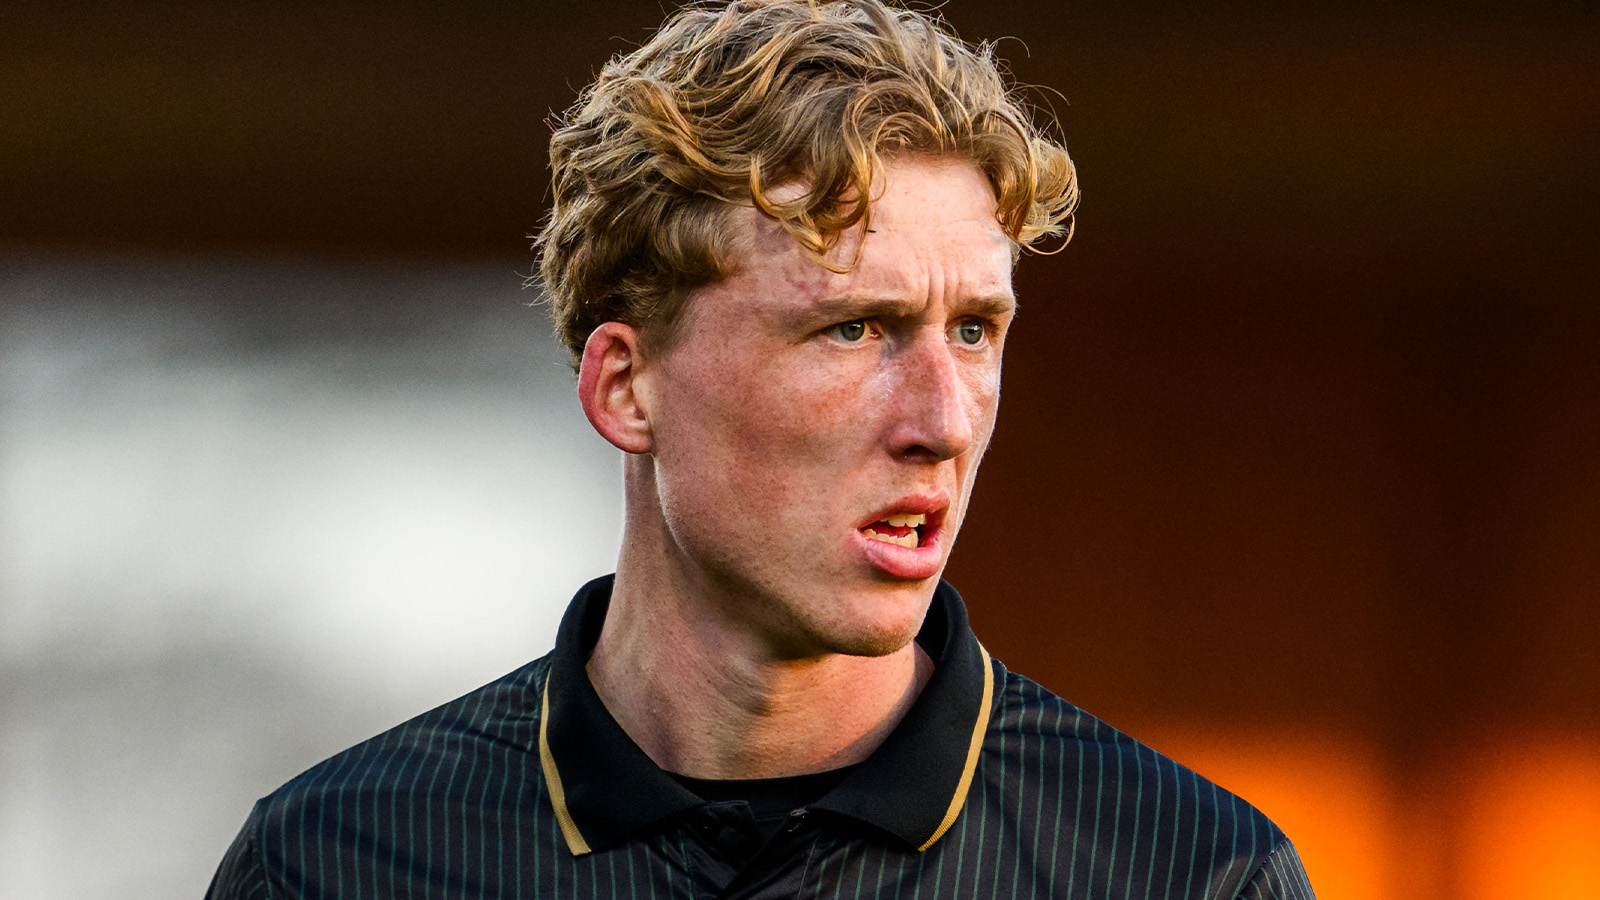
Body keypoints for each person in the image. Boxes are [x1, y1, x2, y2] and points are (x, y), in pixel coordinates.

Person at [207, 1, 1316, 897]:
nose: (942, 421)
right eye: (855, 329)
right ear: (625, 387)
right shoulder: (331, 865)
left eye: (975, 330)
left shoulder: (1190, 874)